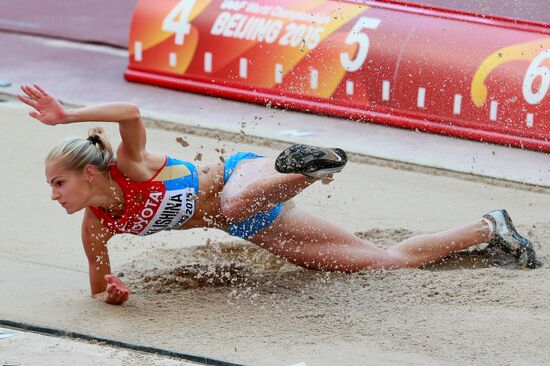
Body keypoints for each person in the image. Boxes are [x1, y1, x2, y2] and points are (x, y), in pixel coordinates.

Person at [19, 84, 538, 306]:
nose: (52, 195)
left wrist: (67, 114)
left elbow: (130, 111)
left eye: (58, 182)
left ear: (90, 175)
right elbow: (99, 288)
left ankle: (305, 170)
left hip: (242, 176)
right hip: (256, 225)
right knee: (383, 262)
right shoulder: (99, 226)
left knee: (230, 203)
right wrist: (114, 296)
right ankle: (491, 227)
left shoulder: (130, 165)